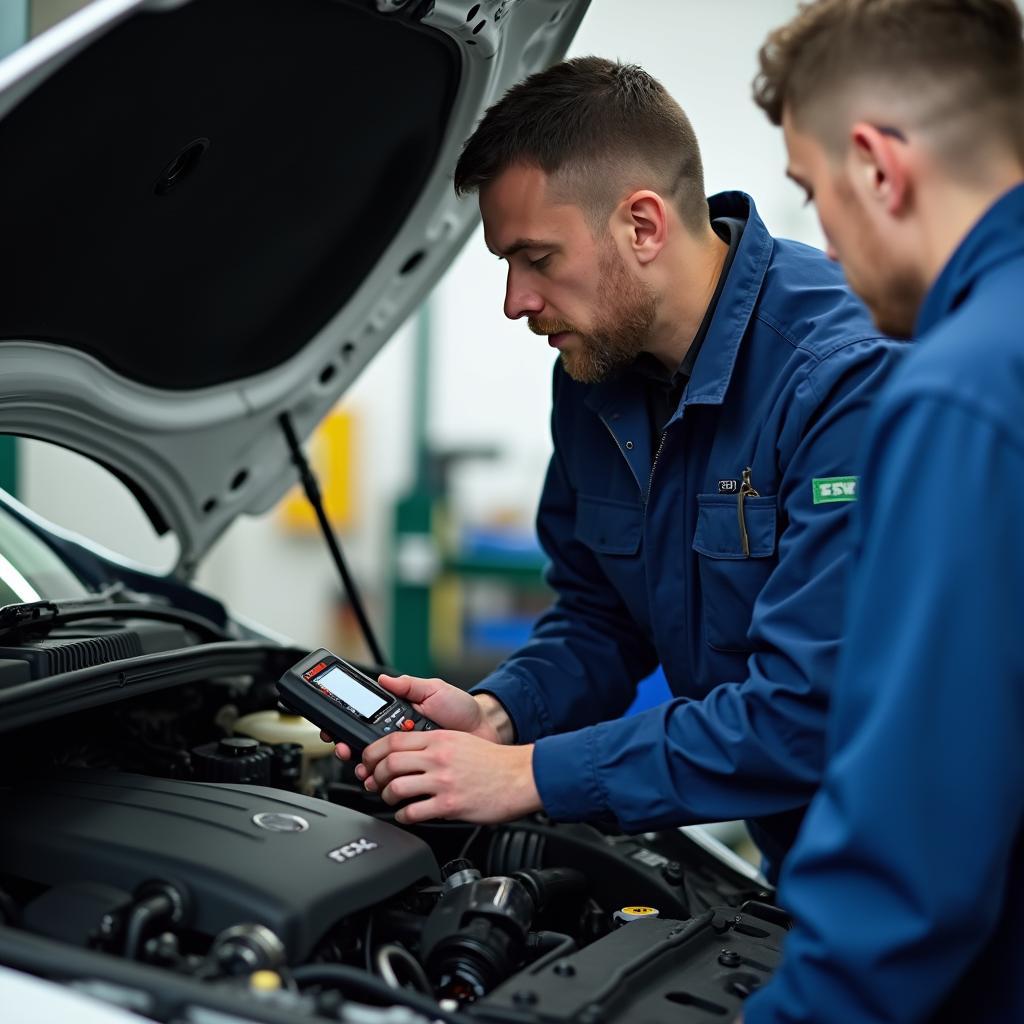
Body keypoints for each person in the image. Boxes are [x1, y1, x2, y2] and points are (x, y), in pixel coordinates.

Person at [332, 57, 903, 879]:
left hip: (941, 873)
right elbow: (600, 619)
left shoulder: (841, 380)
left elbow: (809, 712)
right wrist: (498, 717)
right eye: (504, 264)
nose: (514, 301)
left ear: (642, 225)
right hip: (805, 866)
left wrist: (527, 775)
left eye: (536, 257)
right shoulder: (596, 376)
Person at [739, 1, 1024, 1020]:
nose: (822, 235)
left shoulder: (959, 389)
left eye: (812, 193)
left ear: (876, 167)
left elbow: (916, 857)